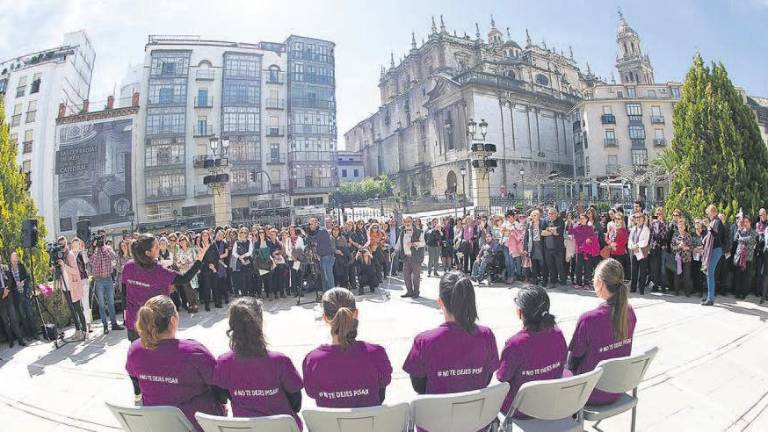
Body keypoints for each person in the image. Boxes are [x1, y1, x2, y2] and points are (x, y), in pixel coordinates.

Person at [126, 295, 224, 431]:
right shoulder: (193, 352)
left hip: (160, 425)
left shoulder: (135, 350)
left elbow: (135, 379)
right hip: (196, 425)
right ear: (173, 320)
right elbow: (220, 387)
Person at [403, 272, 499, 396]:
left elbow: (418, 386)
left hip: (437, 411)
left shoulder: (424, 341)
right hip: (474, 411)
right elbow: (487, 379)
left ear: (440, 302)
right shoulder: (486, 335)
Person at [213, 297, 303, 429]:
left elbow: (221, 397)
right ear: (260, 324)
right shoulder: (280, 361)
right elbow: (296, 404)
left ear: (232, 326)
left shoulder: (223, 362)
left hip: (246, 428)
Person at [303, 288, 393, 408]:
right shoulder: (376, 353)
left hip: (330, 426)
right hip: (370, 424)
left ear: (325, 318)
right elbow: (381, 394)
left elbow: (312, 393)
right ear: (356, 314)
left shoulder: (312, 360)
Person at [567, 258, 636, 405]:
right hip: (617, 387)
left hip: (589, 393)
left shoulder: (589, 319)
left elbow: (573, 361)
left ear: (600, 283)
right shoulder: (629, 312)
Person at [496, 286, 566, 417]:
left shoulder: (514, 344)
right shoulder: (558, 334)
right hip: (549, 404)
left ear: (519, 312)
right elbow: (563, 364)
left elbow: (501, 378)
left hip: (518, 411)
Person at [122, 234, 207, 342]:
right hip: (155, 325)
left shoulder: (128, 266)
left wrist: (125, 316)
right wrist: (199, 260)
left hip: (133, 322)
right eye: (156, 247)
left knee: (139, 355)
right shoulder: (159, 271)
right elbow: (185, 278)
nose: (160, 248)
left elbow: (124, 293)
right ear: (147, 253)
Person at [88, 234, 123, 334]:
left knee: (111, 303)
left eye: (101, 240)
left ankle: (114, 323)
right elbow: (92, 262)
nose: (100, 242)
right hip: (99, 280)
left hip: (108, 279)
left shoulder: (107, 248)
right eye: (98, 240)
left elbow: (114, 257)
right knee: (102, 305)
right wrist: (95, 248)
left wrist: (104, 247)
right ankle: (105, 325)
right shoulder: (95, 251)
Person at [58, 236, 88, 338]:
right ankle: (78, 330)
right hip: (65, 287)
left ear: (66, 244)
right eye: (60, 244)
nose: (62, 246)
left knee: (78, 309)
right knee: (72, 310)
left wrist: (64, 265)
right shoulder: (59, 256)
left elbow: (75, 271)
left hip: (73, 286)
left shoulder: (70, 255)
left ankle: (85, 331)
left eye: (63, 244)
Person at [395, 216, 426, 298]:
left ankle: (416, 292)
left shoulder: (419, 231)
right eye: (405, 222)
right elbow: (399, 243)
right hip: (406, 257)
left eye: (409, 221)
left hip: (416, 257)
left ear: (412, 222)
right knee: (406, 276)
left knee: (416, 277)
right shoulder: (402, 232)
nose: (407, 223)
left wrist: (413, 244)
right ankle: (409, 292)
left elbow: (423, 243)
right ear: (404, 223)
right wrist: (395, 251)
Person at [703, 205, 727, 306]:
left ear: (713, 212)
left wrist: (708, 226)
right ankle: (710, 296)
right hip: (714, 249)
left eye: (708, 213)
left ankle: (710, 298)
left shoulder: (716, 221)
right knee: (709, 272)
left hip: (716, 250)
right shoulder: (714, 221)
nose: (708, 215)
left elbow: (716, 236)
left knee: (709, 273)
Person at [8, 252, 36, 339]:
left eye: (16, 259)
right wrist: (15, 285)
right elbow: (8, 283)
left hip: (24, 293)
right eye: (13, 260)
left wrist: (23, 282)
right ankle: (28, 335)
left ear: (17, 259)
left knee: (30, 314)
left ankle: (35, 334)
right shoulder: (8, 269)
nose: (14, 261)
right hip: (17, 296)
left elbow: (28, 277)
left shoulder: (21, 266)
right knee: (22, 317)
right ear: (10, 260)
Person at [0, 256, 26, 347]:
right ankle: (10, 340)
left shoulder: (5, 267)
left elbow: (10, 279)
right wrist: (2, 291)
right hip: (1, 300)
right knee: (5, 321)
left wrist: (6, 290)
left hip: (9, 298)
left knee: (14, 319)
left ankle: (20, 339)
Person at [306, 217, 336, 291]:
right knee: (323, 277)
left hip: (328, 256)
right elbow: (310, 243)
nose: (310, 226)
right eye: (309, 224)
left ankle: (332, 292)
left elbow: (315, 238)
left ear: (316, 223)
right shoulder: (314, 232)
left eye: (311, 224)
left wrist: (306, 234)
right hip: (322, 257)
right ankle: (326, 293)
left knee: (328, 275)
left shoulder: (322, 231)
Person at [732, 216, 757, 300]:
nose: (745, 223)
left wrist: (741, 238)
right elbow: (735, 238)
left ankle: (744, 293)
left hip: (747, 257)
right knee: (738, 275)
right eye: (744, 222)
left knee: (746, 276)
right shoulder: (741, 230)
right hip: (739, 256)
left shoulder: (753, 232)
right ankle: (737, 292)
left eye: (746, 222)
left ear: (750, 222)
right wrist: (739, 229)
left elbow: (750, 239)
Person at [174, 234, 200, 313]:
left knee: (193, 288)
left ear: (186, 241)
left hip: (192, 272)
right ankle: (191, 304)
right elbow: (177, 263)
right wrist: (181, 265)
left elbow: (196, 260)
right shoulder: (179, 252)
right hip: (183, 273)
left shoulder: (191, 250)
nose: (182, 242)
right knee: (186, 289)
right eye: (181, 240)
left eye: (183, 240)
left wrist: (188, 264)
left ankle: (195, 304)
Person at [542, 208, 566, 287]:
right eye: (549, 213)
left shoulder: (560, 221)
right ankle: (553, 281)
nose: (550, 215)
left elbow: (558, 233)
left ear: (556, 214)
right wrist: (553, 230)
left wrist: (549, 230)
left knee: (560, 266)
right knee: (550, 266)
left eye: (552, 213)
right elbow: (542, 233)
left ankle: (563, 281)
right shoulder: (545, 221)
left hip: (558, 248)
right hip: (547, 248)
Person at [649, 207, 671, 293]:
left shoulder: (666, 223)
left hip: (663, 247)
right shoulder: (653, 223)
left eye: (660, 213)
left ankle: (663, 286)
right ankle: (655, 285)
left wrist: (661, 222)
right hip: (654, 246)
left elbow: (666, 234)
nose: (659, 215)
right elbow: (651, 235)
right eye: (657, 214)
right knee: (655, 267)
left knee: (662, 267)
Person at [628, 213, 651, 294]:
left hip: (642, 252)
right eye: (636, 217)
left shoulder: (646, 229)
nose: (638, 219)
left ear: (643, 219)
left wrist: (637, 245)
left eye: (640, 217)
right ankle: (633, 288)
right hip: (634, 251)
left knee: (642, 271)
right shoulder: (634, 228)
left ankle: (641, 289)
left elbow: (645, 241)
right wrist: (632, 246)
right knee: (634, 271)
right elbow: (630, 239)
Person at [523, 210, 547, 286]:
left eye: (534, 215)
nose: (533, 217)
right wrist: (525, 248)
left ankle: (544, 280)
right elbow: (526, 237)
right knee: (534, 265)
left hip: (541, 247)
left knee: (542, 265)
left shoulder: (543, 223)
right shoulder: (529, 224)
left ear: (538, 216)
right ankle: (535, 280)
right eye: (532, 215)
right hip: (532, 247)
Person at [671, 220, 694, 297]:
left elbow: (692, 247)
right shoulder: (675, 235)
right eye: (679, 226)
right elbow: (672, 247)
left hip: (687, 258)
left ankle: (687, 292)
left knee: (687, 276)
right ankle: (676, 291)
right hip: (678, 258)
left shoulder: (688, 235)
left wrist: (685, 247)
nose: (680, 227)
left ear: (685, 227)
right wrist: (678, 247)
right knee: (677, 275)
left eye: (682, 226)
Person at [231, 227, 254, 297]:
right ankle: (244, 295)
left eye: (245, 232)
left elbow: (250, 251)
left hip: (248, 262)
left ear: (247, 234)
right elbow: (233, 252)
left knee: (249, 279)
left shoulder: (249, 241)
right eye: (241, 232)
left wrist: (243, 256)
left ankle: (251, 294)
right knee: (242, 280)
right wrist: (239, 257)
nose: (243, 234)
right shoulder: (237, 242)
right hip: (240, 263)